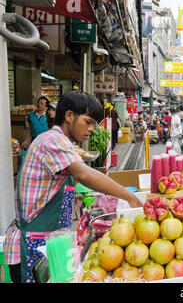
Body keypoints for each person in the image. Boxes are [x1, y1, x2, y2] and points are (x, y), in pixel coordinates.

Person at [3, 91, 143, 283]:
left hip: (48, 244)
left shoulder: (61, 142)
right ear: (69, 116)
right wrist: (129, 196)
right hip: (33, 246)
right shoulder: (53, 141)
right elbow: (83, 174)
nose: (92, 128)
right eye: (88, 121)